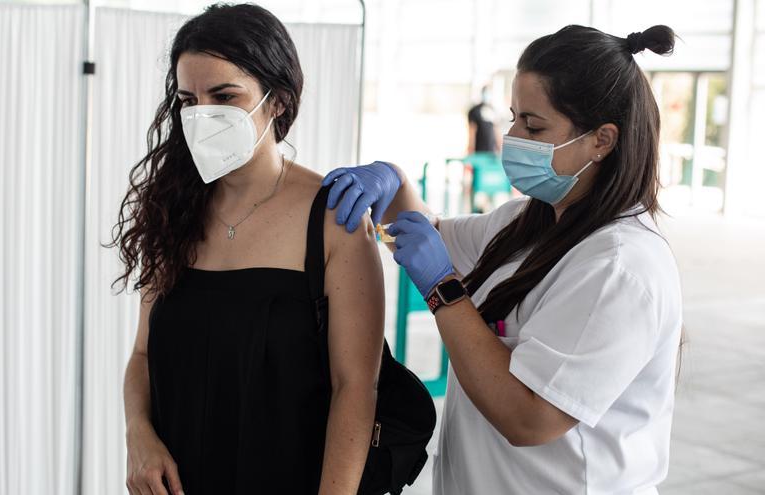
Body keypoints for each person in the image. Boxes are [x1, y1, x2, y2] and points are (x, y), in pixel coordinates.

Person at [323, 25, 683, 493]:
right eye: (513, 118)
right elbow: (431, 233)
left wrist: (444, 290)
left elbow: (529, 418)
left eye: (533, 127)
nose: (511, 137)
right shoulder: (527, 223)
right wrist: (391, 181)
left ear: (602, 140)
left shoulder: (619, 267)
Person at [110, 4, 384, 494]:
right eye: (188, 99)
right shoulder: (172, 211)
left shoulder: (335, 220)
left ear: (277, 100)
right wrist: (138, 434)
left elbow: (355, 389)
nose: (201, 115)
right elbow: (142, 353)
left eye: (224, 96)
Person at [466, 85, 499, 154]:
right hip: (478, 152)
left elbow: (496, 131)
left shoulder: (493, 110)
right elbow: (471, 132)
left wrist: (499, 148)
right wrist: (470, 151)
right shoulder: (474, 111)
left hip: (491, 153)